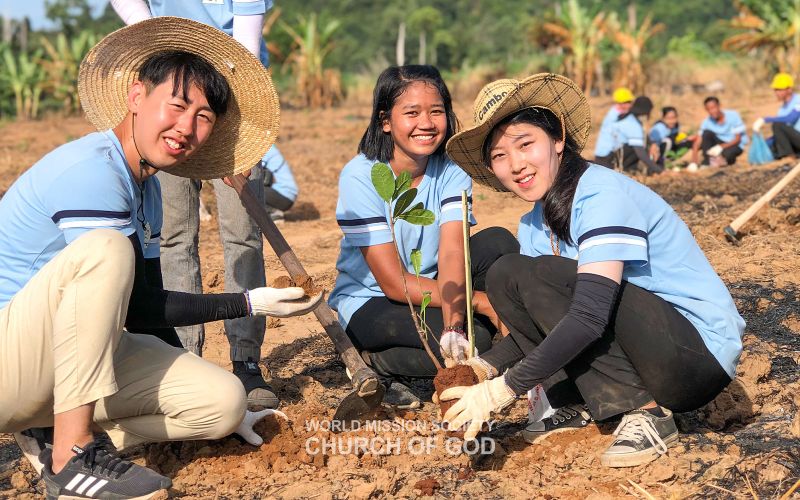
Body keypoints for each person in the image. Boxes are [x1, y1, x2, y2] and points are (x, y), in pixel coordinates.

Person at [0, 18, 320, 499]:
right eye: (177, 105)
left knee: (223, 402)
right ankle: (72, 456)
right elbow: (135, 310)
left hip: (56, 367)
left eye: (205, 117)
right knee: (106, 250)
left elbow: (148, 311)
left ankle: (51, 435)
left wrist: (200, 392)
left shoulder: (144, 189)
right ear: (136, 97)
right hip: (11, 360)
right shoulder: (92, 171)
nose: (186, 127)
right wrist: (250, 303)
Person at [443, 73, 744, 467]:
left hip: (692, 358)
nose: (516, 164)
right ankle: (578, 404)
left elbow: (588, 315)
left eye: (525, 144)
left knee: (521, 274)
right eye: (499, 156)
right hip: (646, 352)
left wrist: (504, 389)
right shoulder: (533, 224)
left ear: (557, 140)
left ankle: (648, 412)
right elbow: (539, 321)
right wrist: (485, 367)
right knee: (507, 275)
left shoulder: (600, 193)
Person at [110, 0, 283, 410]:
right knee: (172, 236)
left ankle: (246, 360)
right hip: (170, 103)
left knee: (243, 237)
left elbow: (245, 46)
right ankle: (184, 356)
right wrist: (152, 33)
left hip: (237, 104)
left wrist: (223, 138)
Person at [328, 65, 518, 408]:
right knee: (485, 342)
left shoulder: (450, 168)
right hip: (373, 301)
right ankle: (378, 361)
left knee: (500, 243)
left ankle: (474, 338)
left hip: (432, 282)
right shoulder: (362, 176)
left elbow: (452, 251)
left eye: (436, 111)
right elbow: (393, 282)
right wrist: (481, 302)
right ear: (385, 121)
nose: (427, 124)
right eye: (411, 113)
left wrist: (455, 325)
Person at [594, 93, 661, 175]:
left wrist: (652, 144)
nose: (629, 105)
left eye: (630, 102)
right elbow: (640, 153)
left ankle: (630, 169)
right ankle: (625, 169)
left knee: (638, 141)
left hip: (602, 157)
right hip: (606, 161)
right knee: (637, 145)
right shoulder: (632, 123)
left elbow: (640, 134)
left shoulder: (626, 116)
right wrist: (659, 171)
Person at [688, 96, 747, 170]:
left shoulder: (733, 115)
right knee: (706, 133)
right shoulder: (706, 122)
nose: (712, 111)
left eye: (713, 108)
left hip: (734, 144)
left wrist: (721, 147)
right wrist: (693, 161)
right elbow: (698, 140)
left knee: (728, 154)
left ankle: (725, 160)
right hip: (718, 143)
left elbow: (738, 139)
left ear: (719, 106)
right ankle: (707, 162)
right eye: (708, 109)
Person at [752, 73, 800, 160]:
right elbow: (781, 134)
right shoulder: (782, 108)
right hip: (793, 141)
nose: (776, 92)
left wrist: (766, 119)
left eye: (779, 89)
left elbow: (791, 118)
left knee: (777, 125)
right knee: (771, 146)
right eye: (775, 90)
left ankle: (789, 156)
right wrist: (765, 143)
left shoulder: (798, 100)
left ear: (789, 89)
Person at [260, 145, 299, 224]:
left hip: (284, 195)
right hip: (285, 194)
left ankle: (272, 212)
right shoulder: (268, 146)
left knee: (248, 189)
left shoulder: (264, 148)